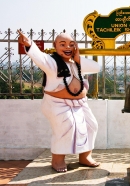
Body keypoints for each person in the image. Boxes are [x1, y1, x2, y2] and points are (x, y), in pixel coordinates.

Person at [18, 30, 101, 173]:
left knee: (91, 125)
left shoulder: (77, 63)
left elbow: (97, 67)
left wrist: (78, 57)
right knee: (65, 128)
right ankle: (57, 160)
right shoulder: (52, 63)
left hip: (80, 103)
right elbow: (39, 57)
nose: (67, 47)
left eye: (71, 44)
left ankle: (85, 156)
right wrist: (29, 43)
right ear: (55, 45)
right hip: (57, 104)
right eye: (63, 44)